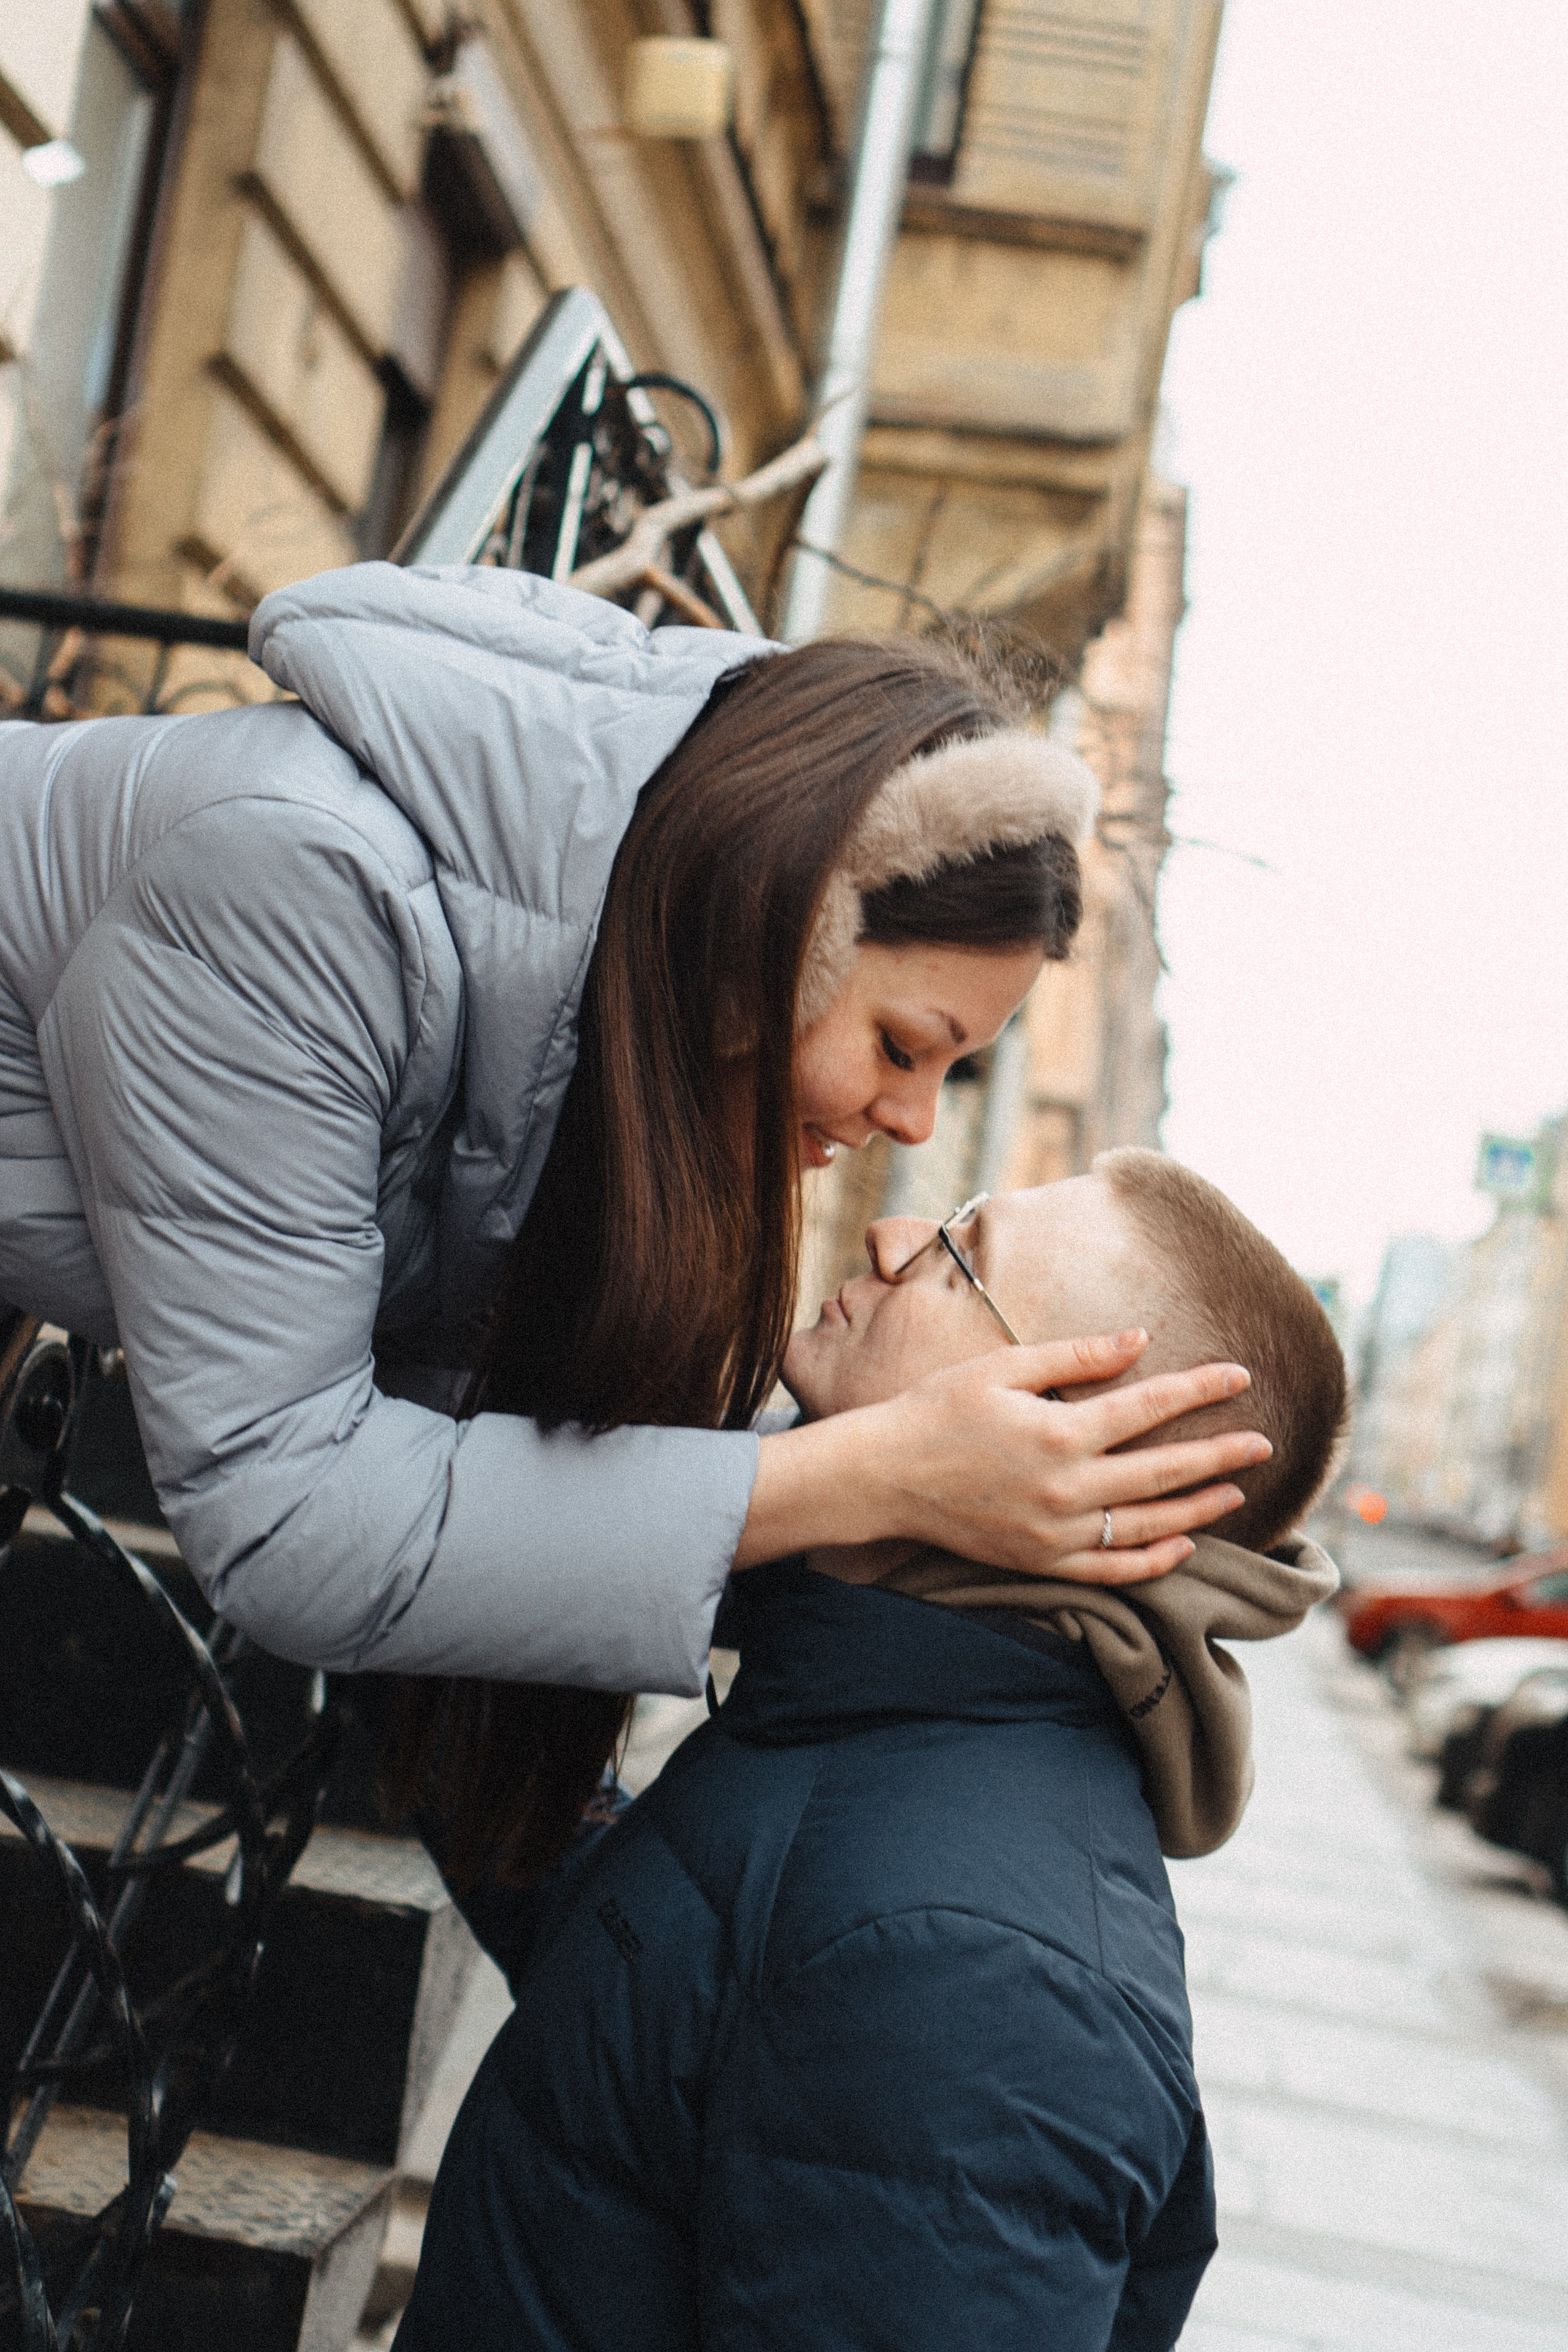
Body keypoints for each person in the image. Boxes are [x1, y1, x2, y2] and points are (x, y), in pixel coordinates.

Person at [0, 564, 1267, 1882]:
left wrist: (929, 1484)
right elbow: (290, 1520)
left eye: (953, 1071)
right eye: (901, 1045)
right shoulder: (297, 891)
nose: (912, 1122)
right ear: (782, 927)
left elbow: (463, 1445)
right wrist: (876, 1475)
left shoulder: (573, 1006)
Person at [393, 1155, 1344, 2351]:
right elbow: (672, 2008)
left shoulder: (982, 1980)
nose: (891, 1234)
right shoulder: (859, 1715)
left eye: (960, 1256)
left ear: (1077, 1449)